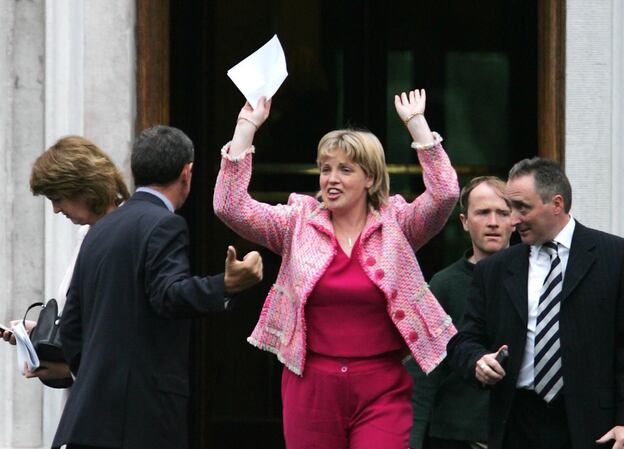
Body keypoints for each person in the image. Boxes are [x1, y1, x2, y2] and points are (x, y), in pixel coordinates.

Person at [213, 89, 459, 449]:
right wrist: (245, 127)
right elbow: (230, 206)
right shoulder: (297, 222)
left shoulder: (397, 223)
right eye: (326, 169)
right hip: (310, 384)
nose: (331, 178)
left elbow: (445, 196)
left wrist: (418, 126)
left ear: (370, 178)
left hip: (382, 388)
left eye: (345, 169)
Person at [52, 125, 264, 449]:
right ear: (187, 173)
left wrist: (101, 382)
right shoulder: (165, 223)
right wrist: (225, 285)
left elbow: (70, 328)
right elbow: (168, 295)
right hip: (143, 421)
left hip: (88, 422)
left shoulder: (98, 230)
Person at [448, 158, 624, 449]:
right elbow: (465, 340)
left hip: (593, 426)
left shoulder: (616, 257)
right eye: (511, 208)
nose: (513, 219)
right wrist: (478, 362)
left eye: (522, 208)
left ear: (556, 204)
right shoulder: (494, 269)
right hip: (516, 421)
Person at [2, 136, 130, 387]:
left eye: (57, 198)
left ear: (83, 188)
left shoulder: (124, 236)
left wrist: (68, 369)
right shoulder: (88, 235)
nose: (56, 210)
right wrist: (40, 335)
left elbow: (118, 340)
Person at [407, 176, 514, 449]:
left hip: (517, 430)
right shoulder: (444, 284)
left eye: (502, 213)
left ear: (515, 220)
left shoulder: (535, 278)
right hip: (455, 435)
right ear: (465, 222)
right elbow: (424, 373)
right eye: (483, 212)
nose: (493, 221)